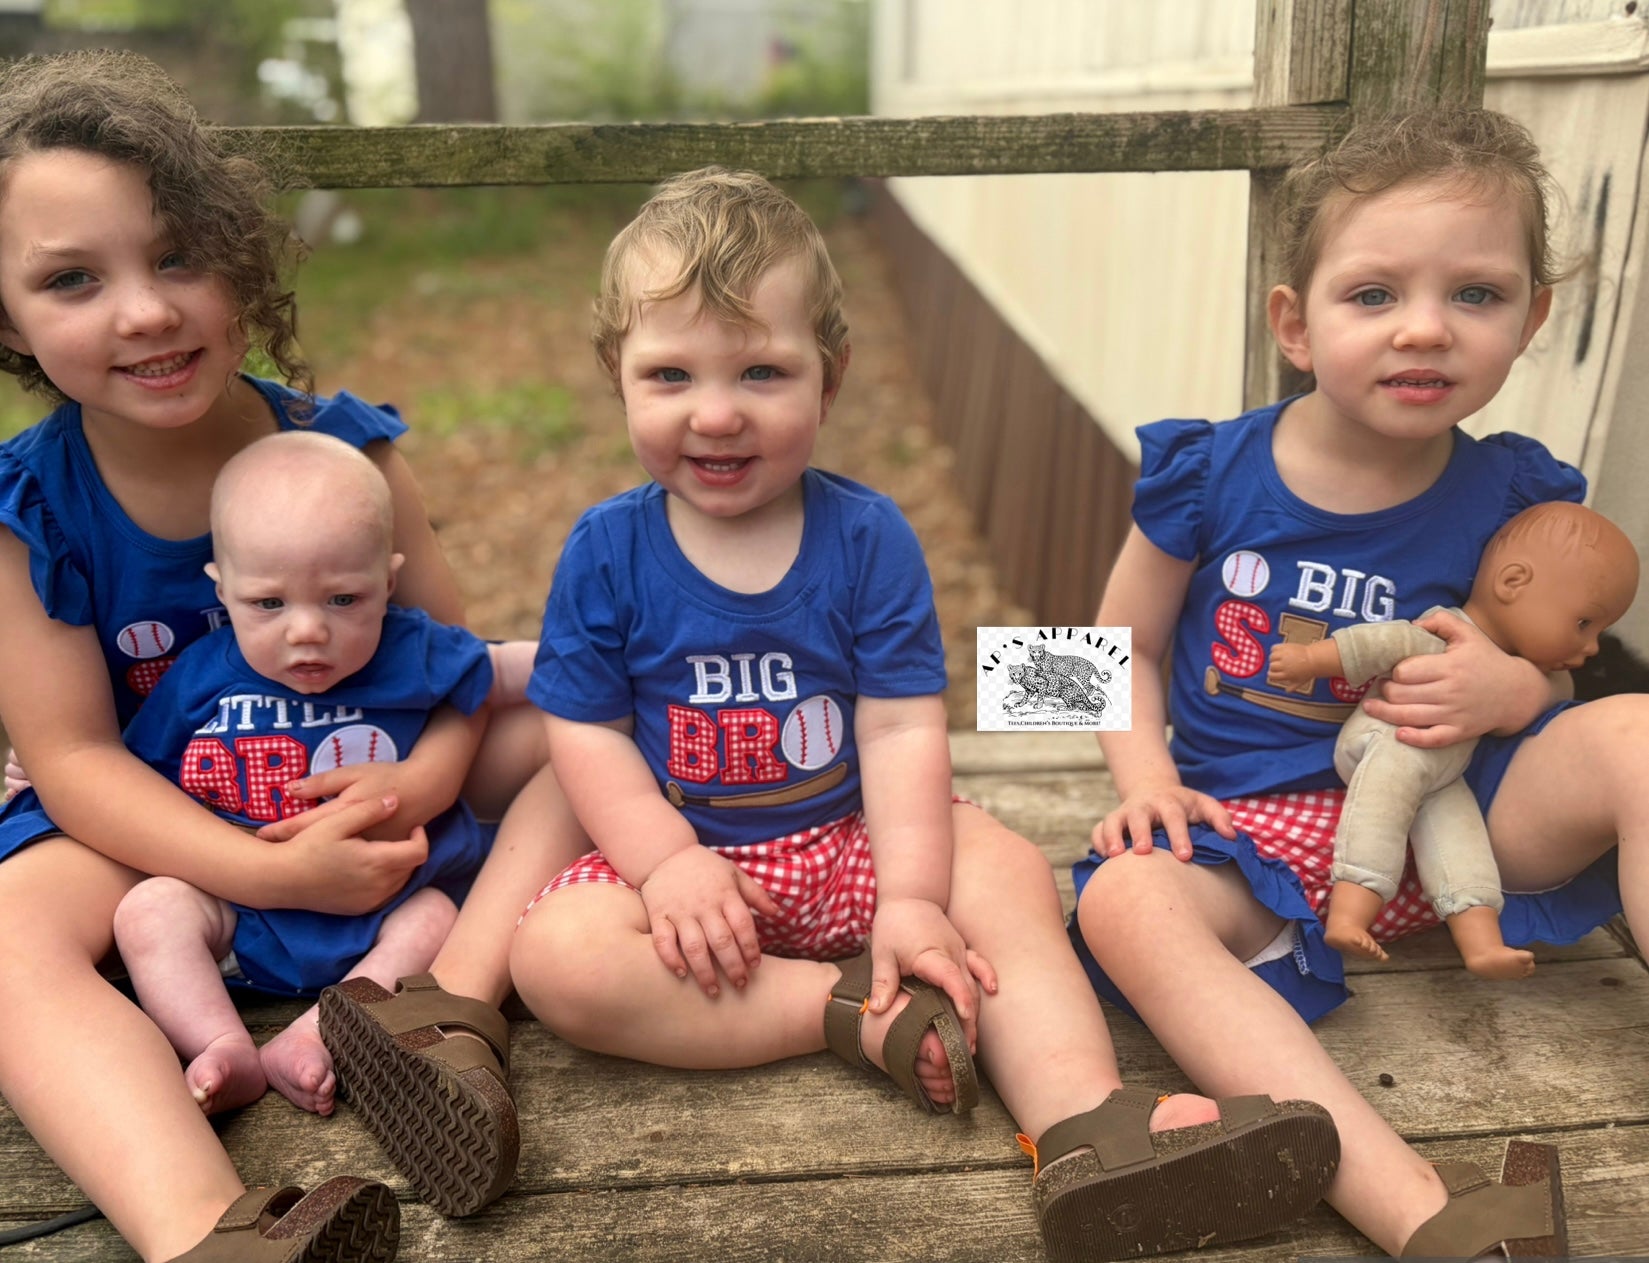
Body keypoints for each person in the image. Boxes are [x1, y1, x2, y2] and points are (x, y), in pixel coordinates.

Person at [455, 165, 1334, 1262]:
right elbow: (582, 730)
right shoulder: (606, 549)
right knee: (559, 958)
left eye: (761, 371)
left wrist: (914, 896)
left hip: (857, 840)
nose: (716, 412)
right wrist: (666, 863)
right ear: (616, 378)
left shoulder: (866, 537)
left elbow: (902, 727)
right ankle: (842, 1015)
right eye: (669, 373)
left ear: (830, 379)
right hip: (696, 870)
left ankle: (1082, 1125)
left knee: (1002, 868)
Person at [0, 49, 528, 1261]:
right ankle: (208, 1233)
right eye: (73, 279)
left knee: (565, 728)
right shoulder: (32, 509)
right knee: (6, 936)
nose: (143, 310)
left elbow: (449, 666)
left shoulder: (348, 460)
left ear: (238, 260)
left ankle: (442, 1021)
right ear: (7, 313)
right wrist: (268, 874)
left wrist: (425, 782)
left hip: (379, 792)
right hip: (154, 822)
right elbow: (74, 761)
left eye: (175, 255)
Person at [1072, 105, 1626, 1256]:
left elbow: (1559, 671)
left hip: (1453, 818)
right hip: (1251, 838)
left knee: (1635, 734)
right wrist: (1140, 776)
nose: (1421, 330)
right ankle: (1415, 1207)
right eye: (1373, 295)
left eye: (1472, 295)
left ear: (1529, 319)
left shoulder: (1516, 495)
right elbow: (1111, 649)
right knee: (1119, 896)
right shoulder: (1206, 471)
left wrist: (1522, 700)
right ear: (1294, 322)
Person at [112, 431, 509, 1119]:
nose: (306, 631)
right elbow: (130, 774)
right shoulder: (200, 677)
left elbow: (496, 673)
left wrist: (614, 668)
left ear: (387, 581)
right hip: (244, 912)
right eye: (269, 603)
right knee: (150, 910)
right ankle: (218, 1043)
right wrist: (39, 773)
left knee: (440, 918)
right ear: (223, 588)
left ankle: (321, 1033)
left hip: (387, 902)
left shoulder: (413, 649)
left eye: (342, 600)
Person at [1268, 501, 1638, 977]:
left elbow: (1558, 692)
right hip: (1389, 742)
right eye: (1585, 624)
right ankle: (1349, 915)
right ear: (1513, 583)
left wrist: (1525, 689)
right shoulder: (1448, 630)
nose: (1591, 648)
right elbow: (1380, 642)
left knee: (1462, 845)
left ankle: (1482, 944)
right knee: (1383, 807)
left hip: (1444, 771)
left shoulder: (1515, 489)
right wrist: (1311, 660)